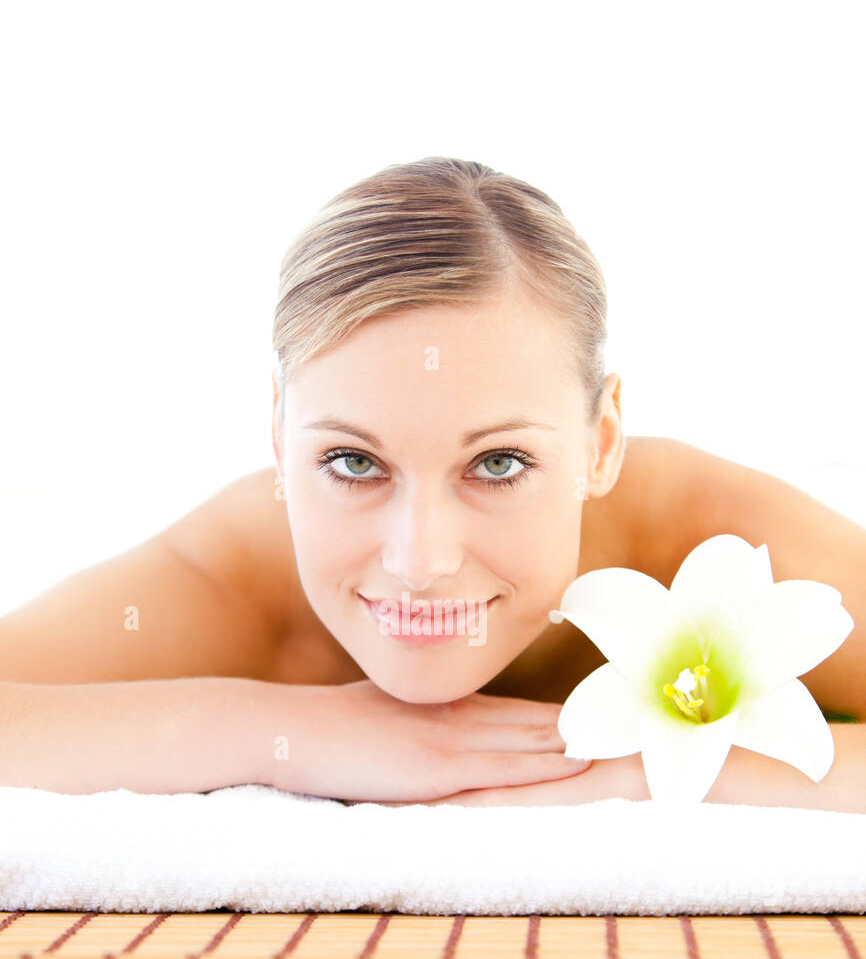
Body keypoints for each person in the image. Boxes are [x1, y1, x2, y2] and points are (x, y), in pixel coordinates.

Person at [1, 157, 864, 809]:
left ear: (601, 444)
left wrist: (639, 771)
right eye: (352, 463)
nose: (420, 561)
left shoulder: (715, 542)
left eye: (498, 464)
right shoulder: (235, 582)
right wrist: (292, 732)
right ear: (277, 438)